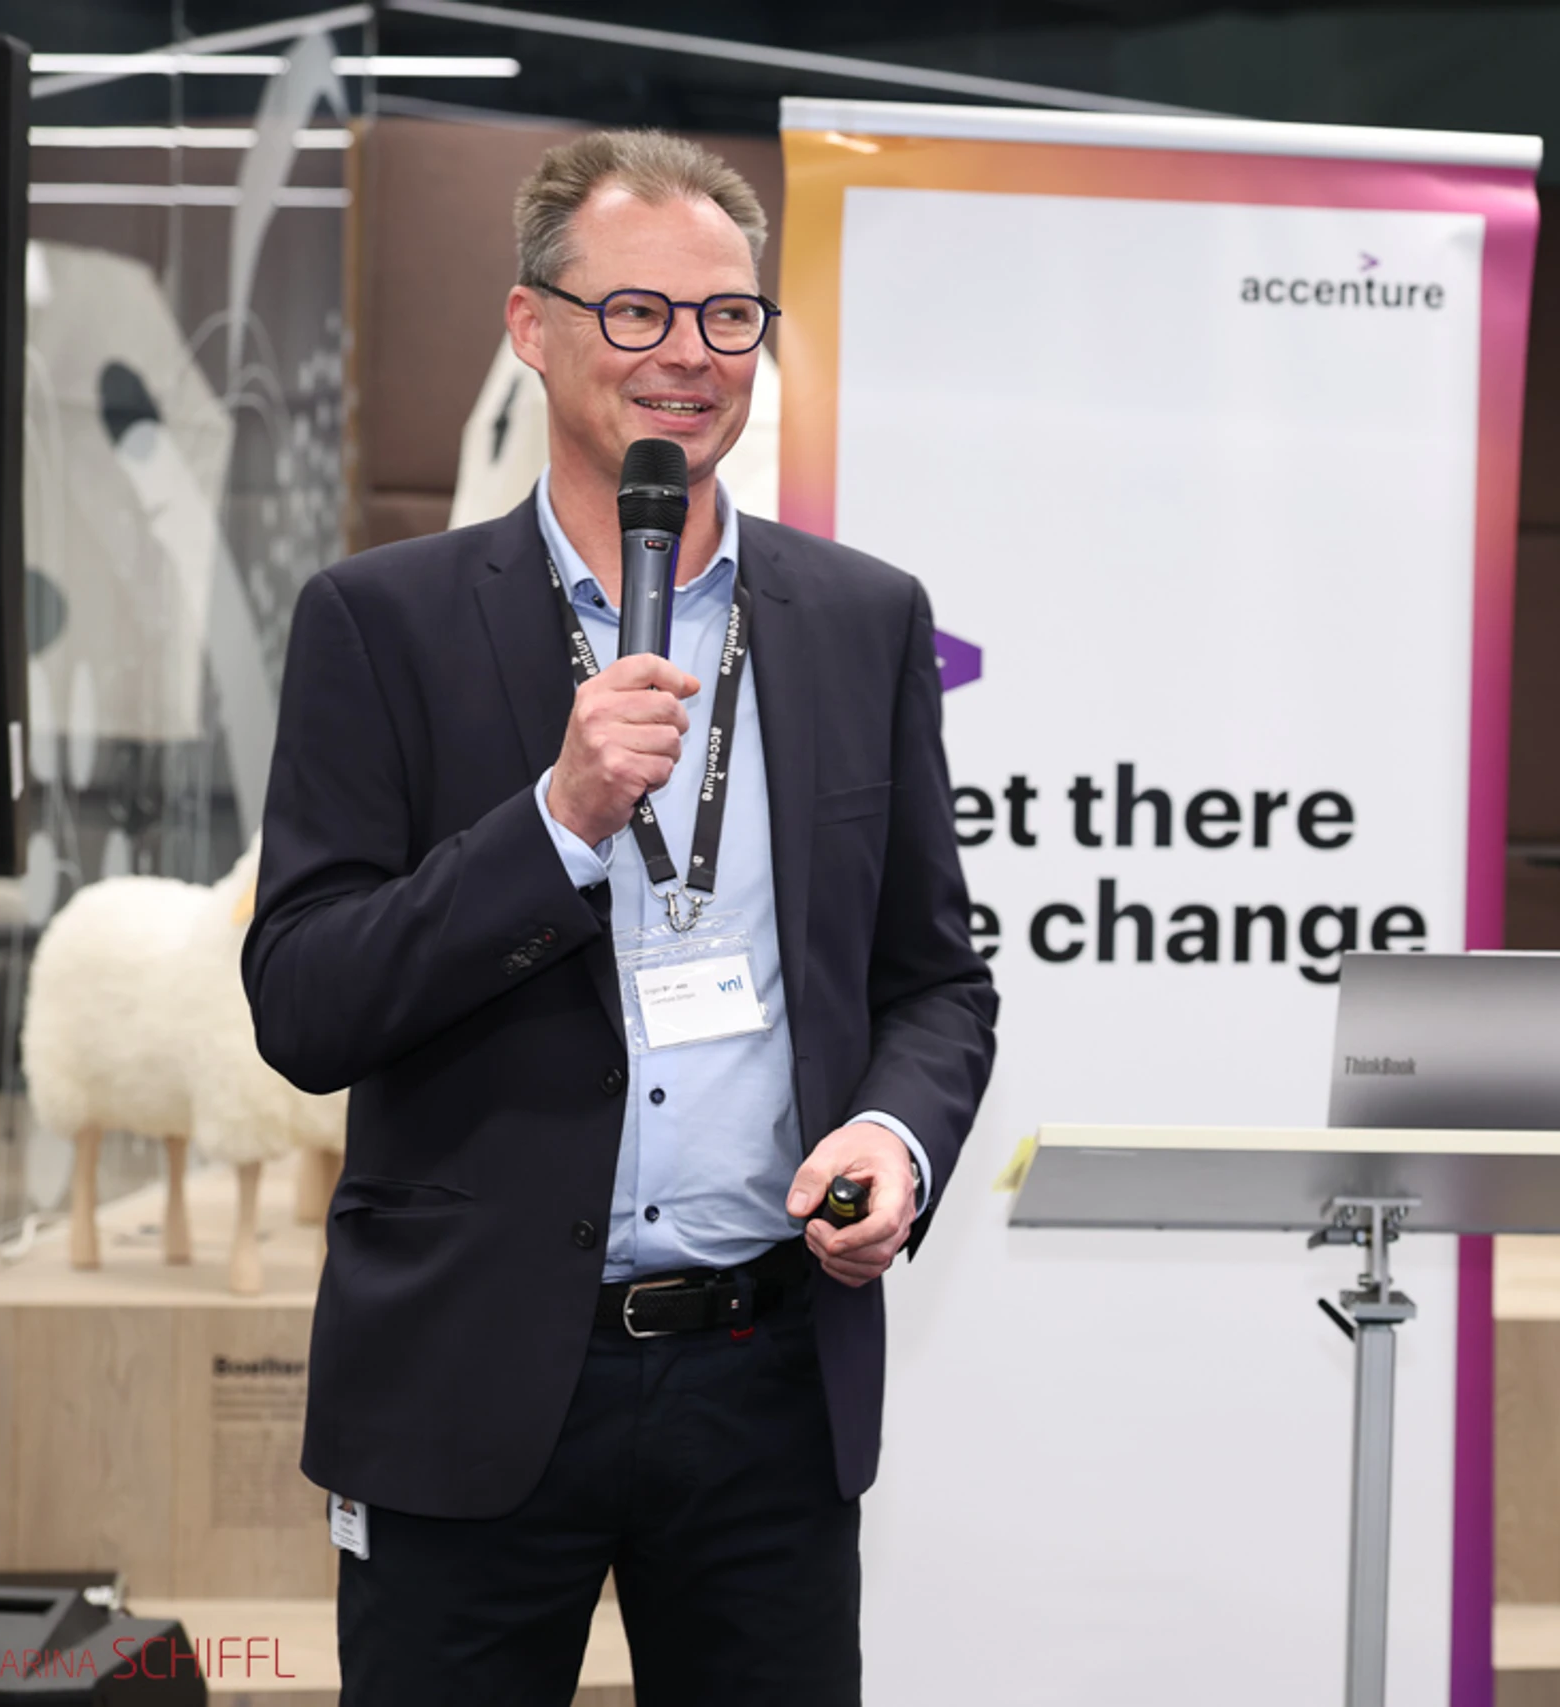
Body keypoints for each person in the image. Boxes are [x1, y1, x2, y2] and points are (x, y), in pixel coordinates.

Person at [243, 130, 998, 1705]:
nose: (688, 356)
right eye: (638, 310)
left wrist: (894, 1139)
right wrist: (555, 823)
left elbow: (935, 981)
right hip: (468, 1379)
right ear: (532, 325)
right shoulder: (380, 624)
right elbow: (305, 1001)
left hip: (765, 1383)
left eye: (728, 316)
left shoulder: (863, 620)